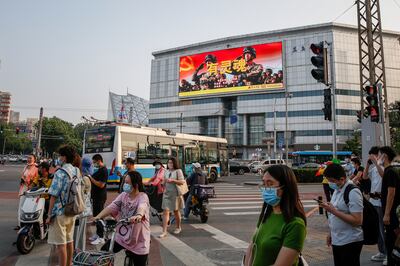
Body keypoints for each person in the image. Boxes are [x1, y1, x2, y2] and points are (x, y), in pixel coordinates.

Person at [247, 165, 306, 266]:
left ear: (285, 187)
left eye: (270, 184)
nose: (265, 189)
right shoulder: (266, 215)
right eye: (264, 183)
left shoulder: (295, 225)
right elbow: (252, 246)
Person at [93, 171, 150, 266]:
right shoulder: (123, 195)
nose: (125, 185)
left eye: (127, 183)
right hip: (122, 235)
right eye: (124, 182)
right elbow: (112, 207)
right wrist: (98, 216)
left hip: (139, 238)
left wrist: (138, 216)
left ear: (135, 185)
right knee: (105, 251)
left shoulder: (142, 197)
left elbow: (142, 207)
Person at [320, 163, 363, 266]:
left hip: (350, 241)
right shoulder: (337, 189)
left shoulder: (353, 191)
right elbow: (335, 213)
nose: (330, 183)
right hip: (337, 240)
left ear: (342, 178)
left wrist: (333, 211)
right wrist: (331, 233)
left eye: (332, 181)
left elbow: (357, 220)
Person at [46, 145, 81, 266]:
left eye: (60, 156)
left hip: (60, 212)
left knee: (61, 245)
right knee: (70, 240)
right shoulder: (77, 171)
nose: (59, 158)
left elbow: (53, 195)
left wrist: (49, 214)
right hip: (72, 210)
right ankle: (69, 263)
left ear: (64, 158)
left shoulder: (60, 173)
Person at [363, 146, 387, 264]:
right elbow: (364, 177)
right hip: (373, 202)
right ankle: (381, 251)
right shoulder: (373, 169)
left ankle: (388, 253)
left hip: (381, 202)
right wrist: (368, 164)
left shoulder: (384, 168)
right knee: (377, 229)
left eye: (375, 155)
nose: (373, 158)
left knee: (384, 230)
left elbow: (383, 175)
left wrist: (376, 163)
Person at [379, 146, 400, 266]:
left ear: (384, 156)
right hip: (391, 212)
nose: (378, 158)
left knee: (391, 241)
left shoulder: (390, 171)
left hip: (392, 213)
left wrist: (386, 214)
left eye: (379, 155)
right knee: (390, 240)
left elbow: (391, 193)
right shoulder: (388, 171)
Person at [159, 157, 185, 238]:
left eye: (171, 163)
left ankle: (178, 227)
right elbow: (164, 181)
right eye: (169, 163)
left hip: (175, 194)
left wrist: (173, 181)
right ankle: (164, 231)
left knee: (176, 211)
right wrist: (163, 182)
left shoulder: (178, 171)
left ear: (175, 163)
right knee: (165, 212)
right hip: (166, 194)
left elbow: (182, 182)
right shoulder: (166, 171)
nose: (170, 164)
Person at [89, 154, 109, 245]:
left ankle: (101, 237)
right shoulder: (100, 170)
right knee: (96, 215)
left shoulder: (104, 171)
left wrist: (90, 178)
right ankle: (98, 234)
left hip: (100, 197)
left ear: (98, 160)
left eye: (94, 162)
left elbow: (101, 185)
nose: (93, 164)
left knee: (99, 216)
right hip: (96, 196)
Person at [74, 157, 92, 251]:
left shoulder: (84, 179)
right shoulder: (86, 177)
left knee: (78, 234)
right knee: (79, 234)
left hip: (81, 211)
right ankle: (78, 253)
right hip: (83, 210)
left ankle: (78, 254)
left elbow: (79, 194)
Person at [17, 154, 39, 228]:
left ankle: (28, 224)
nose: (29, 159)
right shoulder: (25, 167)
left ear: (34, 159)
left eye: (30, 158)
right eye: (28, 158)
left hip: (31, 190)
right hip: (24, 188)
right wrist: (22, 180)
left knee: (29, 207)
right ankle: (19, 224)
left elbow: (36, 179)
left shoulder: (36, 168)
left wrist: (30, 184)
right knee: (21, 206)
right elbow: (22, 176)